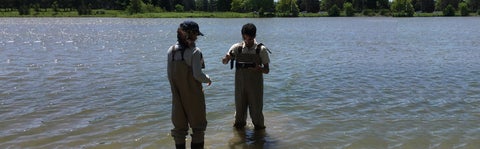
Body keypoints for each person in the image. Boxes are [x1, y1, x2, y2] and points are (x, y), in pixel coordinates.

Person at [167, 20, 212, 149]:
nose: (197, 37)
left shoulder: (171, 51)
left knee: (179, 131)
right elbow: (198, 75)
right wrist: (208, 79)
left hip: (177, 97)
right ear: (188, 34)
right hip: (193, 96)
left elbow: (169, 75)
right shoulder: (195, 52)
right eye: (195, 34)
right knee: (198, 129)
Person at [222, 23, 270, 130]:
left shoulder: (261, 50)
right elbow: (224, 62)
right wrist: (226, 59)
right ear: (242, 35)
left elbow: (267, 70)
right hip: (240, 87)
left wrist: (259, 68)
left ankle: (259, 140)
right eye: (245, 38)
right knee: (239, 116)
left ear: (254, 36)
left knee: (257, 115)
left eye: (250, 38)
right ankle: (239, 137)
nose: (248, 41)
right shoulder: (237, 48)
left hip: (255, 88)